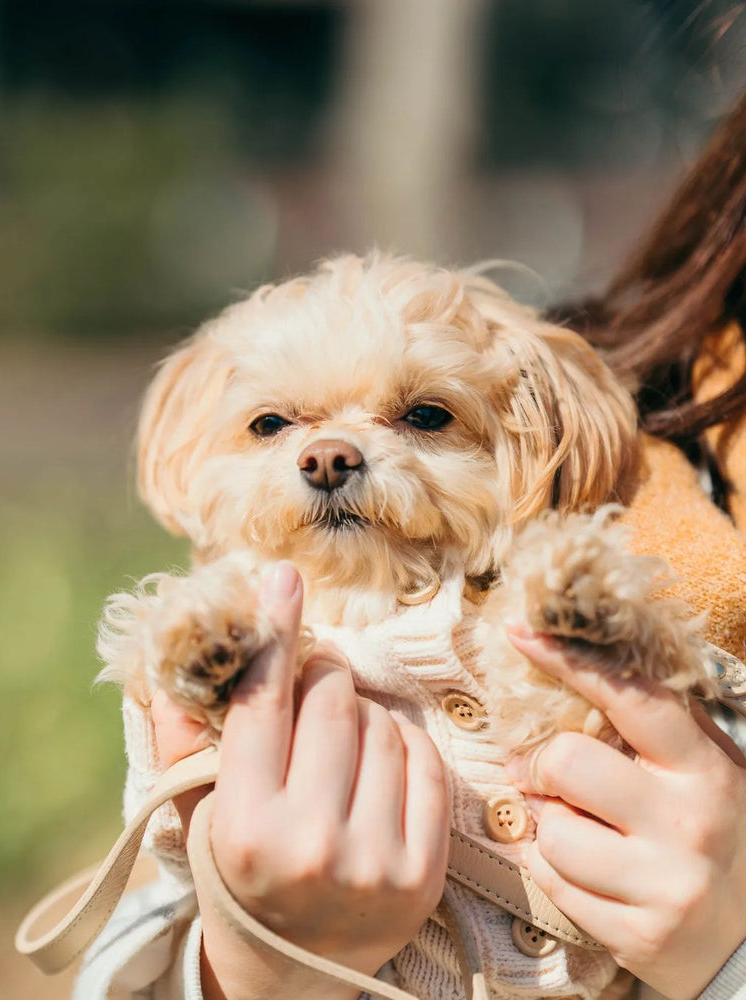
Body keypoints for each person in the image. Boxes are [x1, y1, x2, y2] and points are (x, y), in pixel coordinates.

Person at [73, 95, 746, 1000]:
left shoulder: (638, 522)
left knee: (575, 650)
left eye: (423, 416)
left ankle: (591, 631)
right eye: (275, 424)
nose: (329, 458)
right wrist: (256, 966)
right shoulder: (251, 599)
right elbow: (147, 928)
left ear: (526, 434)